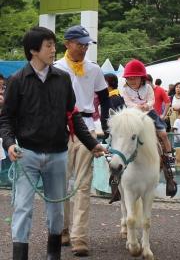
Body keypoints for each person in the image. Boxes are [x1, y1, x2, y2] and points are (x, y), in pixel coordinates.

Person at [0, 27, 105, 260]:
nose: (53, 50)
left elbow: (73, 115)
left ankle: (53, 255)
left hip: (58, 154)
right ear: (33, 51)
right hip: (26, 154)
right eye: (48, 45)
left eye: (53, 45)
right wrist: (8, 143)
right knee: (22, 208)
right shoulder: (18, 80)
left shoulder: (63, 78)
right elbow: (5, 118)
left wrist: (91, 144)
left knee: (56, 210)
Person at [54, 25, 110, 256]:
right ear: (67, 44)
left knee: (83, 185)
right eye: (80, 43)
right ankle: (62, 230)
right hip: (60, 130)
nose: (85, 48)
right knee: (60, 184)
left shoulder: (94, 69)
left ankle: (80, 237)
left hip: (86, 129)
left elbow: (105, 97)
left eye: (87, 44)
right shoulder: (55, 67)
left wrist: (105, 124)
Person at [121, 59, 177, 197]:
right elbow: (127, 102)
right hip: (133, 113)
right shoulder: (125, 89)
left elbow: (152, 100)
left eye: (135, 78)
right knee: (120, 133)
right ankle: (115, 166)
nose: (132, 81)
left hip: (149, 112)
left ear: (142, 78)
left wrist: (147, 106)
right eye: (129, 78)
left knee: (163, 134)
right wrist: (137, 107)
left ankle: (169, 160)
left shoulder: (148, 88)